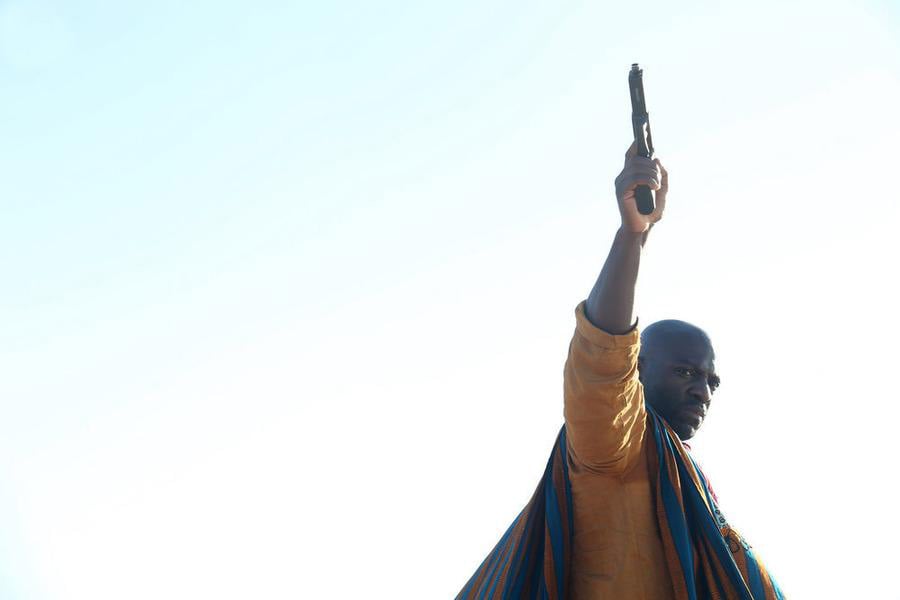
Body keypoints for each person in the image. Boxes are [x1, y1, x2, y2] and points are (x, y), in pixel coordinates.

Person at [456, 144, 783, 599]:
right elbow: (603, 361)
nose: (702, 391)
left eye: (711, 381)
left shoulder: (680, 472)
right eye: (686, 372)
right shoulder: (614, 445)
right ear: (639, 369)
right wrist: (633, 235)